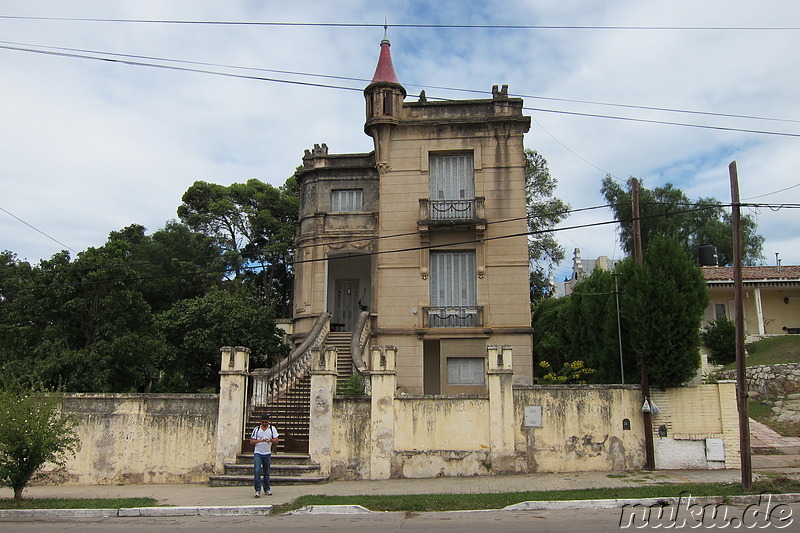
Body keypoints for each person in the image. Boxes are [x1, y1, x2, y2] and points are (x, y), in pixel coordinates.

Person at [249, 412, 278, 497]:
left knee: (266, 472)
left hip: (267, 453)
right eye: (263, 422)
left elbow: (276, 440)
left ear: (268, 422)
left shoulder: (272, 429)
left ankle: (267, 489)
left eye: (266, 422)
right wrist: (259, 440)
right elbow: (251, 441)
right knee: (257, 471)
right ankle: (257, 490)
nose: (264, 424)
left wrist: (270, 440)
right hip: (258, 452)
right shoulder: (257, 429)